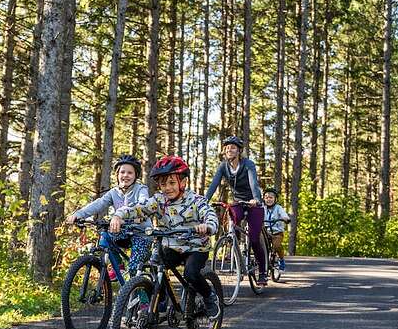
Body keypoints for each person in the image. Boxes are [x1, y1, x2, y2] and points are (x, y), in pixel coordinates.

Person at [109, 155, 221, 319]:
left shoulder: (196, 200)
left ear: (183, 183)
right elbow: (139, 207)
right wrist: (118, 215)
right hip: (170, 246)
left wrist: (208, 226)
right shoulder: (159, 200)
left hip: (195, 247)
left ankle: (210, 297)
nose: (167, 188)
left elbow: (210, 215)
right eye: (163, 184)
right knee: (154, 264)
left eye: (172, 183)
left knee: (191, 274)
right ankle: (158, 300)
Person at [65, 155, 151, 279]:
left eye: (130, 173)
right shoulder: (114, 192)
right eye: (122, 172)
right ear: (117, 175)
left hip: (141, 233)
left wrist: (119, 214)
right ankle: (118, 267)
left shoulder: (141, 189)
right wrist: (78, 214)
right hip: (124, 231)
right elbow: (98, 204)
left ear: (135, 175)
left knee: (134, 268)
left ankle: (143, 298)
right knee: (105, 238)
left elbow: (142, 204)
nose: (125, 175)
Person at [204, 135, 268, 286]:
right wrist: (204, 201)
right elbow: (214, 185)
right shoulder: (223, 166)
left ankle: (263, 272)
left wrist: (256, 199)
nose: (229, 150)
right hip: (238, 201)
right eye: (227, 148)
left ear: (239, 151)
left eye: (233, 147)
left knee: (254, 238)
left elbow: (253, 183)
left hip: (254, 202)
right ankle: (237, 252)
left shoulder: (248, 164)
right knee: (232, 222)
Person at [262, 187, 289, 271]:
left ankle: (281, 259)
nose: (268, 199)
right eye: (266, 197)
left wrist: (285, 218)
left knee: (277, 246)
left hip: (277, 233)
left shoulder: (278, 208)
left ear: (275, 199)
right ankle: (262, 262)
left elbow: (284, 215)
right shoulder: (263, 208)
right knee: (260, 245)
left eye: (271, 197)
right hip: (265, 232)